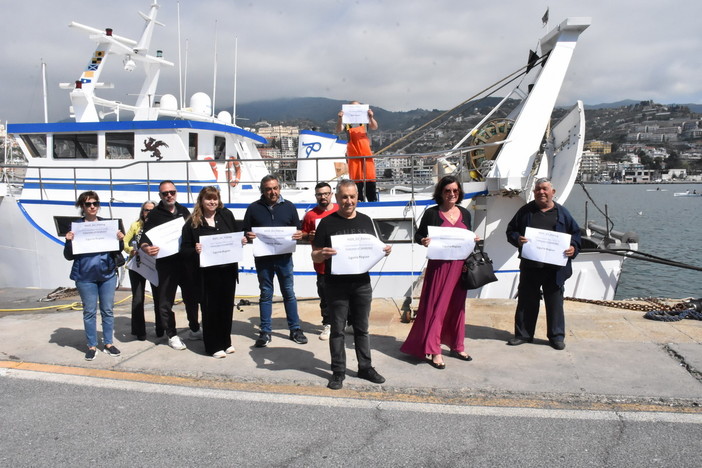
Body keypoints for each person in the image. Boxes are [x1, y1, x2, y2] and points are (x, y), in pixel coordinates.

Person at [312, 179, 392, 390]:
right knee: (337, 330)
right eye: (344, 197)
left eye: (352, 197)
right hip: (335, 284)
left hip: (361, 284)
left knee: (362, 329)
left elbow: (376, 248)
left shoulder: (367, 221)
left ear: (358, 198)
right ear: (337, 198)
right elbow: (314, 255)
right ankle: (338, 372)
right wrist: (321, 254)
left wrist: (384, 250)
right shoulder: (327, 223)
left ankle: (365, 367)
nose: (349, 201)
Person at [400, 175, 477, 369]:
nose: (452, 194)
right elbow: (419, 235)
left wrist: (473, 239)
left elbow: (468, 236)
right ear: (441, 193)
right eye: (447, 191)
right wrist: (423, 241)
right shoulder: (432, 213)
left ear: (459, 193)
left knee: (458, 308)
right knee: (437, 308)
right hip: (439, 268)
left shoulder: (465, 213)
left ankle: (457, 346)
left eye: (455, 191)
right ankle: (434, 350)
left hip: (460, 267)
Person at [505, 177, 581, 350]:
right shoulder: (525, 211)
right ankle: (523, 334)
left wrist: (573, 248)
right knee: (526, 301)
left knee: (555, 303)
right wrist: (518, 239)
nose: (541, 192)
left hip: (555, 269)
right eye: (538, 189)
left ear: (553, 192)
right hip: (531, 266)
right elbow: (510, 231)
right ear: (534, 192)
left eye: (545, 189)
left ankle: (556, 337)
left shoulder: (563, 213)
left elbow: (576, 235)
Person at [181, 186, 247, 358]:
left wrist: (242, 240)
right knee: (210, 310)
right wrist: (194, 249)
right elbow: (184, 249)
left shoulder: (226, 215)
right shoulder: (193, 222)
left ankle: (226, 341)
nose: (212, 202)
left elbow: (235, 236)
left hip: (227, 272)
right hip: (206, 275)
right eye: (208, 199)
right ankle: (212, 346)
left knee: (226, 307)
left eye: (215, 199)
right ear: (201, 201)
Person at [243, 175, 308, 347]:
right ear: (262, 191)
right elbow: (245, 232)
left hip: (284, 258)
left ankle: (295, 329)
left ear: (279, 188)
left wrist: (299, 234)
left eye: (275, 188)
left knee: (289, 293)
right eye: (268, 189)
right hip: (263, 259)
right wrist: (248, 236)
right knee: (265, 294)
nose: (272, 192)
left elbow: (298, 230)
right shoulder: (253, 208)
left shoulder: (289, 207)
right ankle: (265, 332)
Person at [139, 181, 201, 351]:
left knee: (191, 298)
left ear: (176, 193)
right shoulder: (155, 215)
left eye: (172, 192)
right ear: (160, 195)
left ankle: (195, 328)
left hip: (185, 263)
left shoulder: (183, 211)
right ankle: (172, 334)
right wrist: (146, 248)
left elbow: (193, 231)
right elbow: (144, 239)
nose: (169, 196)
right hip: (166, 265)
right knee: (165, 301)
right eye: (165, 193)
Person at [63, 191, 124, 361]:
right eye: (88, 204)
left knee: (108, 310)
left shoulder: (107, 225)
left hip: (107, 274)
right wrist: (68, 241)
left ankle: (109, 343)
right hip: (85, 276)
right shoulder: (75, 227)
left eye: (95, 203)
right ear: (82, 207)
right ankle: (91, 345)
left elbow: (117, 249)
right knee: (89, 312)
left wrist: (120, 239)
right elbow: (69, 256)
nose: (92, 207)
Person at [301, 182, 339, 340]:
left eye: (325, 193)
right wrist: (308, 236)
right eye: (319, 194)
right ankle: (328, 324)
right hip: (322, 264)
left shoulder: (339, 209)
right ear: (316, 196)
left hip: (341, 262)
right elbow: (302, 235)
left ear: (331, 194)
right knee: (325, 296)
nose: (323, 197)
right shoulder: (310, 215)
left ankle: (348, 322)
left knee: (346, 294)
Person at [123, 200, 160, 341]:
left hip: (154, 265)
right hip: (138, 265)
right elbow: (125, 243)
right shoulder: (135, 225)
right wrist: (131, 250)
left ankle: (160, 328)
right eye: (146, 210)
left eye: (151, 210)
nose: (148, 213)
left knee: (159, 297)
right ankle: (139, 331)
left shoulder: (159, 225)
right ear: (142, 211)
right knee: (138, 298)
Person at [335, 101, 379, 202]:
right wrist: (340, 118)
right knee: (356, 183)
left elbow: (374, 127)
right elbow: (338, 130)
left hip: (366, 156)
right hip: (353, 157)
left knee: (370, 181)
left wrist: (371, 117)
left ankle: (373, 202)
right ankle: (358, 202)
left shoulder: (365, 120)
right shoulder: (346, 122)